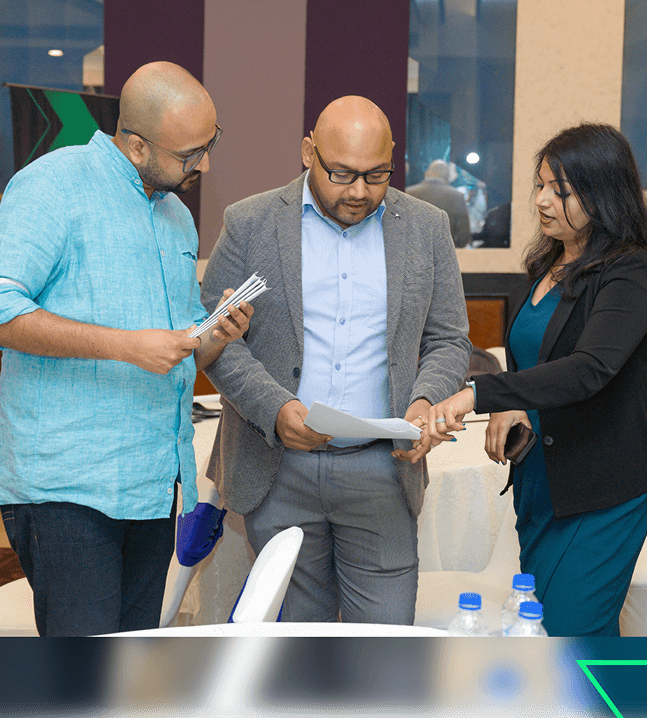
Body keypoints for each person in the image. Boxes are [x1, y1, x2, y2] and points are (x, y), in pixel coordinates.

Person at [0, 61, 253, 636]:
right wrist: (124, 347)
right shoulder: (53, 184)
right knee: (81, 688)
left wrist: (215, 332)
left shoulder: (174, 217)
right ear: (137, 144)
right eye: (191, 154)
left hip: (150, 481)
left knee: (128, 671)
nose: (206, 165)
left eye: (209, 144)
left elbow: (180, 344)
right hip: (67, 485)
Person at [201, 96, 472, 624]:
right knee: (299, 655)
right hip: (277, 469)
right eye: (342, 173)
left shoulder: (426, 227)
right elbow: (218, 339)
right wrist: (276, 409)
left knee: (385, 651)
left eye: (377, 175)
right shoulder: (250, 223)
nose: (359, 192)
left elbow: (449, 340)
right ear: (308, 152)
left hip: (383, 470)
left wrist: (423, 401)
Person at [420, 122, 647, 637]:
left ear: (604, 195)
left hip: (605, 483)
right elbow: (535, 361)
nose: (542, 201)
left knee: (568, 632)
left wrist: (480, 393)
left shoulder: (632, 272)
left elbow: (590, 369)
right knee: (543, 631)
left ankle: (603, 715)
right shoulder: (547, 266)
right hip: (543, 480)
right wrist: (513, 404)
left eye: (561, 191)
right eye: (540, 185)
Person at [406, 159, 472, 247]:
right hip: (444, 252)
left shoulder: (408, 193)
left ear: (426, 173)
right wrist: (457, 247)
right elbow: (464, 233)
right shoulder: (457, 196)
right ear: (447, 177)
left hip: (414, 251)